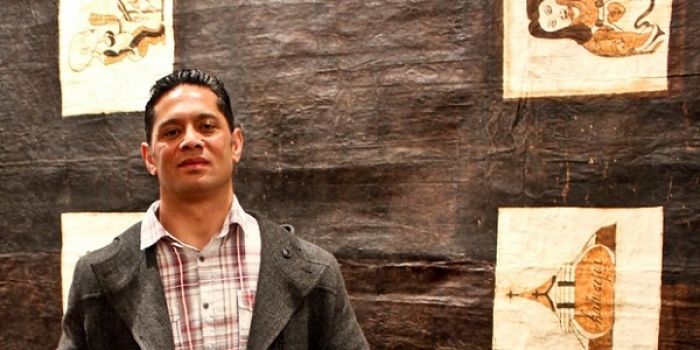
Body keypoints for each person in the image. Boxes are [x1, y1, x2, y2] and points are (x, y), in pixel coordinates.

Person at [58, 69, 369, 350]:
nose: (191, 140)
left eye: (206, 126)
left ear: (235, 144)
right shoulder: (97, 278)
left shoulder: (313, 271)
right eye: (171, 132)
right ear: (149, 157)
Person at [526, 0, 666, 57]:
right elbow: (649, 41)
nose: (560, 15)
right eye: (553, 23)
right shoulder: (590, 41)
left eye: (549, 9)